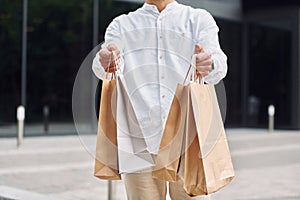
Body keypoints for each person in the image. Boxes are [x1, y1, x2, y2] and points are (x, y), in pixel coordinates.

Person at [92, 0, 227, 199]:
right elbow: (103, 65)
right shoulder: (122, 25)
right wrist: (104, 61)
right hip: (138, 142)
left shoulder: (198, 19)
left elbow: (219, 65)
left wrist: (209, 63)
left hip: (187, 139)